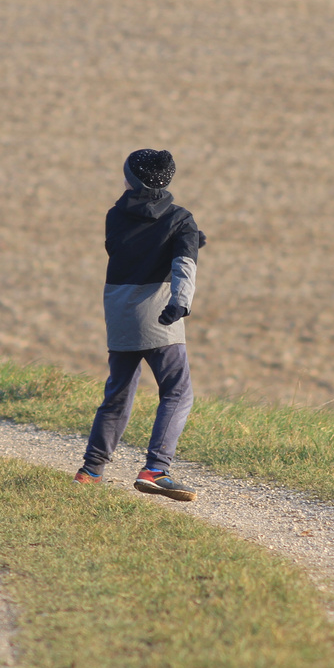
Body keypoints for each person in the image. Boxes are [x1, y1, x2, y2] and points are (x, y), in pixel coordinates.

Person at [74, 148, 205, 502]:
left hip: (118, 310)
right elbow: (183, 265)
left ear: (131, 179)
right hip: (159, 313)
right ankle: (156, 469)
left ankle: (91, 470)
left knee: (118, 391)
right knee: (178, 391)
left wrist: (190, 236)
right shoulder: (181, 218)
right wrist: (181, 302)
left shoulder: (115, 215)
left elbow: (121, 249)